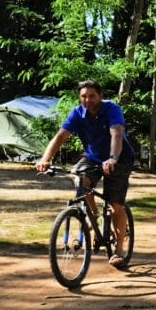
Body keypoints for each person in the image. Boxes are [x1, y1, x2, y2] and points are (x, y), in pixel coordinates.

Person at [36, 80, 135, 267]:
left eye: (91, 96)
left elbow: (116, 134)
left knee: (115, 205)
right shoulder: (77, 113)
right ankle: (94, 214)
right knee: (79, 179)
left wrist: (113, 158)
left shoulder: (111, 109)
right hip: (94, 157)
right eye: (83, 96)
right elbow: (60, 137)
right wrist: (45, 159)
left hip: (120, 158)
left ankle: (119, 250)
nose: (87, 100)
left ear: (100, 96)